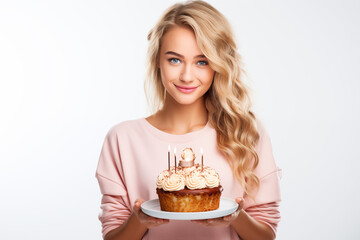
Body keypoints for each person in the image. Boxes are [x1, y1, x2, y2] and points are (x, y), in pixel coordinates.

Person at [95, 1, 281, 239]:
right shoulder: (122, 139)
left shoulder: (245, 134)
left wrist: (236, 217)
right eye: (174, 59)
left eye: (202, 62)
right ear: (157, 61)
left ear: (218, 66)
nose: (186, 76)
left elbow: (266, 235)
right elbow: (112, 235)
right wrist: (140, 220)